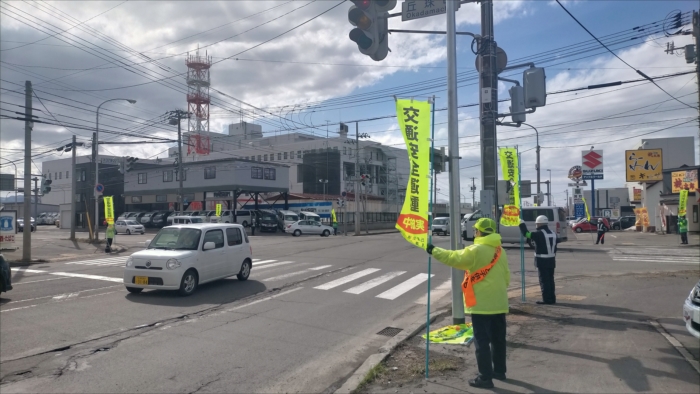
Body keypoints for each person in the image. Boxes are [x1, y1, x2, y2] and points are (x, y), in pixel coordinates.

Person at [426, 218, 510, 389]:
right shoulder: (500, 250)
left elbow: (452, 258)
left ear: (479, 232)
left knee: (482, 342)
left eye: (475, 230)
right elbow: (507, 277)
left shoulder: (475, 250)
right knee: (498, 339)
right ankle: (499, 371)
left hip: (481, 304)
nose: (474, 233)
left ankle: (485, 378)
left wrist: (433, 250)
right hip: (499, 303)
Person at [520, 215, 557, 305]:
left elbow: (526, 234)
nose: (536, 225)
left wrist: (521, 223)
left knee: (544, 281)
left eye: (536, 224)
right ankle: (552, 298)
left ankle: (547, 299)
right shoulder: (553, 233)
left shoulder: (538, 234)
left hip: (542, 261)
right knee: (551, 280)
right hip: (552, 260)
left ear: (539, 224)